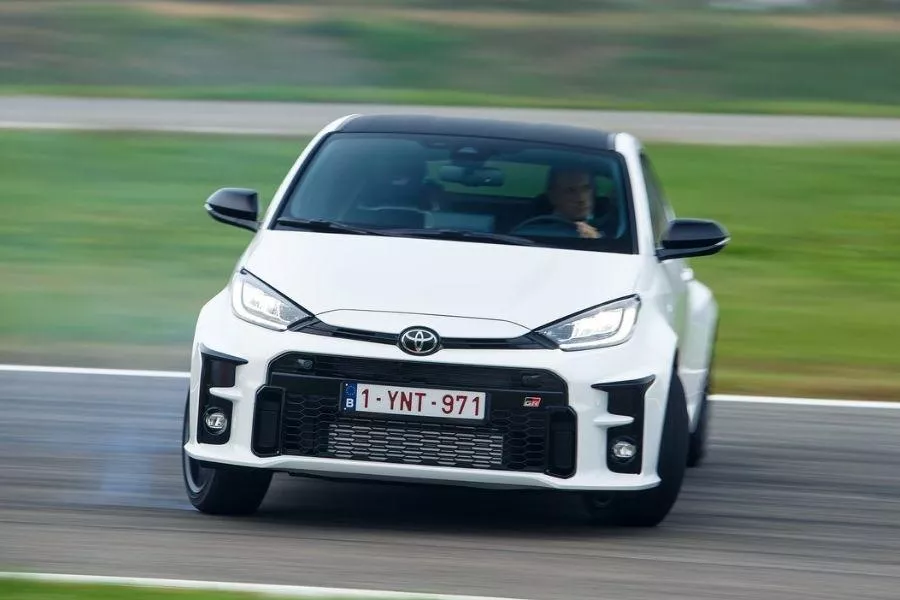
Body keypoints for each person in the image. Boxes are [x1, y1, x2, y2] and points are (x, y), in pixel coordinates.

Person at [512, 166, 603, 239]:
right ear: (553, 196)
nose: (581, 198)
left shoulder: (611, 233)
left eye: (586, 188)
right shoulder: (530, 235)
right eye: (570, 191)